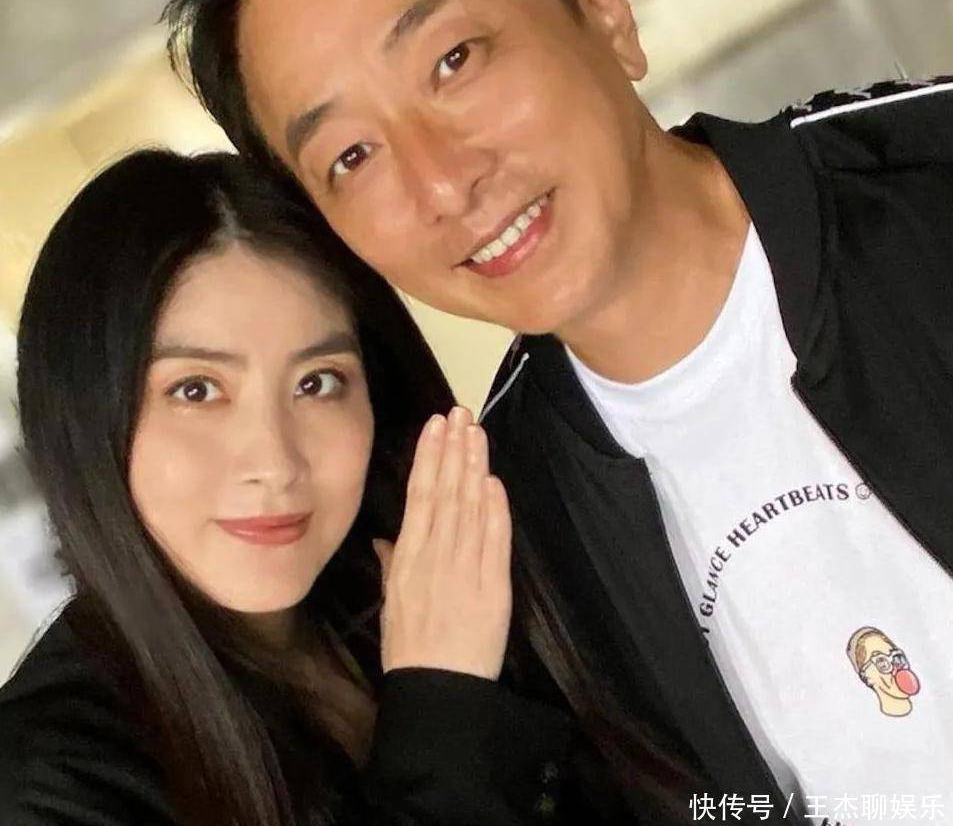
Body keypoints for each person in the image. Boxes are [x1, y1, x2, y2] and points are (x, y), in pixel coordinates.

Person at [165, 0, 953, 823]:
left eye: (452, 60)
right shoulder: (507, 544)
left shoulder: (926, 190)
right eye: (351, 155)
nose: (442, 183)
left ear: (600, 8)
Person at [0, 149, 575, 826]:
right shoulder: (47, 785)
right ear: (84, 420)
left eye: (317, 382)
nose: (274, 462)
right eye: (196, 390)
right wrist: (443, 703)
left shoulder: (423, 593)